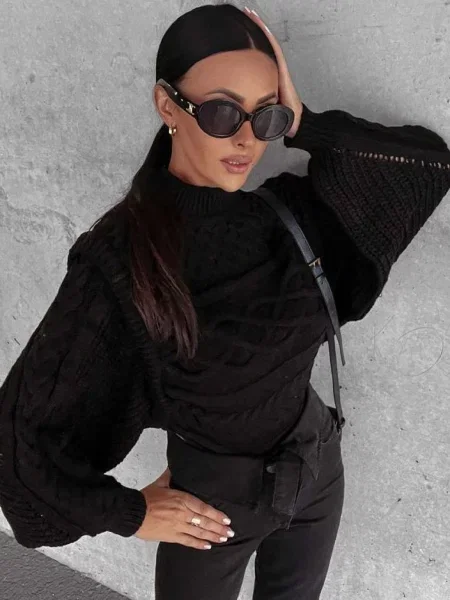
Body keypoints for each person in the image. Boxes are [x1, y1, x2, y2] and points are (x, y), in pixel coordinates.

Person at [0, 3, 449, 599]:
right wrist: (131, 513)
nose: (247, 139)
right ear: (167, 105)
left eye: (265, 116)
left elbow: (427, 166)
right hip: (212, 507)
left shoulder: (287, 216)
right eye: (222, 111)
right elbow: (19, 443)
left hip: (317, 470)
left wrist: (305, 125)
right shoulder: (124, 259)